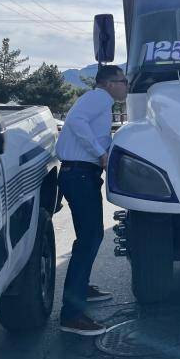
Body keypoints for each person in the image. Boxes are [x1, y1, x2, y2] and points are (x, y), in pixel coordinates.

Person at [55, 65, 128, 335]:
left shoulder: (100, 101)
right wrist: (101, 153)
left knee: (88, 237)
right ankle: (72, 315)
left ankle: (81, 287)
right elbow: (75, 122)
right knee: (91, 237)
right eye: (123, 81)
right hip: (80, 175)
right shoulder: (99, 97)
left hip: (80, 175)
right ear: (109, 83)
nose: (126, 86)